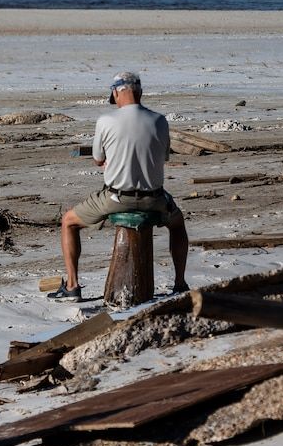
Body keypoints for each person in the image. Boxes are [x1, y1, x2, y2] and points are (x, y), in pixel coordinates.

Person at [48, 71, 189, 301]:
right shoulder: (160, 120)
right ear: (140, 92)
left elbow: (98, 159)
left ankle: (72, 285)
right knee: (177, 223)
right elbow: (162, 157)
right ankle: (180, 282)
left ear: (116, 93)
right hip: (154, 198)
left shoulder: (106, 121)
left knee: (68, 222)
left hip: (116, 198)